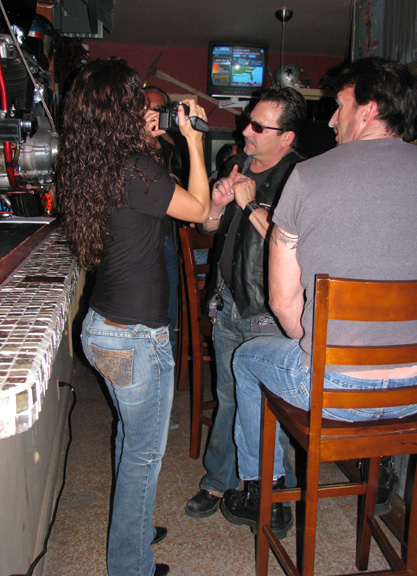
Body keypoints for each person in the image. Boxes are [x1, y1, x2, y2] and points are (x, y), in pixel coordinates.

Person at [220, 57, 417, 530]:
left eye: (339, 106)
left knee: (247, 358)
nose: (332, 120)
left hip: (334, 389)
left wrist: (310, 343)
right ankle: (379, 469)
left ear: (368, 110)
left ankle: (265, 492)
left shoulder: (309, 176)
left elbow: (283, 303)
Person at [56, 58, 210, 576]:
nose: (145, 108)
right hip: (136, 338)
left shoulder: (94, 164)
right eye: (135, 101)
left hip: (104, 329)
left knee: (131, 438)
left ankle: (134, 530)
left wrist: (149, 141)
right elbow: (199, 210)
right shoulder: (135, 168)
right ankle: (130, 565)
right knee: (144, 456)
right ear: (120, 110)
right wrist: (194, 141)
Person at [185, 87, 307, 538]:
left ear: (286, 136)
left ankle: (277, 494)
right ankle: (219, 481)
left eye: (258, 125)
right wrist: (217, 205)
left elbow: (295, 243)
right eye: (247, 119)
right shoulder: (236, 163)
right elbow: (208, 226)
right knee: (229, 395)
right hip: (228, 301)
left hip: (269, 311)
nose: (245, 130)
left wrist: (250, 203)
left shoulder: (302, 177)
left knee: (273, 407)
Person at [143, 85, 184, 431]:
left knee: (165, 325)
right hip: (136, 242)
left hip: (166, 240)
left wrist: (173, 182)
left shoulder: (174, 149)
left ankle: (162, 409)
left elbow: (192, 197)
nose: (153, 114)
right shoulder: (125, 148)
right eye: (146, 107)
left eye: (159, 109)